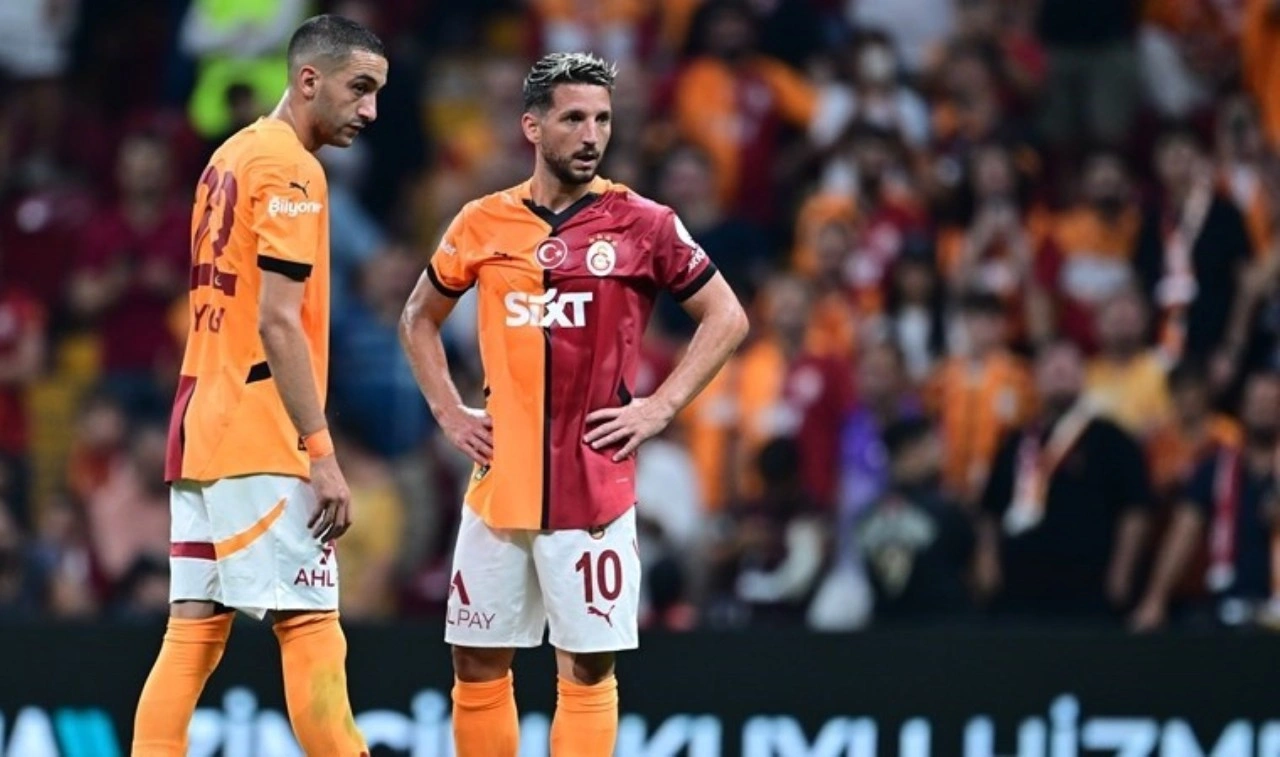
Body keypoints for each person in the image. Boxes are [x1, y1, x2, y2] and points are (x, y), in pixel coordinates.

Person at [399, 52, 749, 757]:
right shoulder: (482, 221)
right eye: (574, 119)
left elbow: (728, 316)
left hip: (594, 488)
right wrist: (449, 411)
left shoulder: (645, 223)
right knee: (476, 660)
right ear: (532, 126)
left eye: (603, 120)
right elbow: (417, 317)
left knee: (586, 668)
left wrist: (660, 407)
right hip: (500, 485)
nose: (592, 135)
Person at [131, 15, 387, 757]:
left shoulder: (230, 155)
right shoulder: (291, 170)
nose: (371, 110)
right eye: (359, 88)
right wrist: (322, 451)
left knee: (193, 633)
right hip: (259, 431)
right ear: (308, 80)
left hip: (201, 421)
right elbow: (278, 321)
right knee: (310, 628)